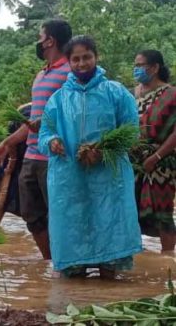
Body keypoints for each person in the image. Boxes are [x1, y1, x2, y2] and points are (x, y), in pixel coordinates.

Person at [38, 35, 142, 278]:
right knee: (72, 235)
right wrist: (52, 142)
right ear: (68, 62)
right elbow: (45, 132)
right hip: (69, 178)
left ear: (96, 57)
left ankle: (107, 291)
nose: (82, 63)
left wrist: (104, 151)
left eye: (87, 57)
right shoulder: (58, 99)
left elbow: (131, 131)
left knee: (109, 229)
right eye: (76, 59)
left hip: (108, 176)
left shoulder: (115, 92)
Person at [0, 19, 72, 259]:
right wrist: (8, 143)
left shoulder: (70, 73)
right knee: (31, 214)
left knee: (59, 215)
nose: (38, 41)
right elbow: (33, 122)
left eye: (40, 36)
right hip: (31, 155)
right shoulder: (41, 75)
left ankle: (66, 263)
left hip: (55, 157)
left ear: (50, 40)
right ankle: (51, 261)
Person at [130, 50, 176, 253]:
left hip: (162, 162)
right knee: (131, 210)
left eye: (140, 65)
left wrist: (157, 156)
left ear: (155, 67)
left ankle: (168, 259)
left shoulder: (171, 94)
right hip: (135, 161)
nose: (137, 69)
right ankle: (138, 255)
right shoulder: (134, 93)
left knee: (163, 213)